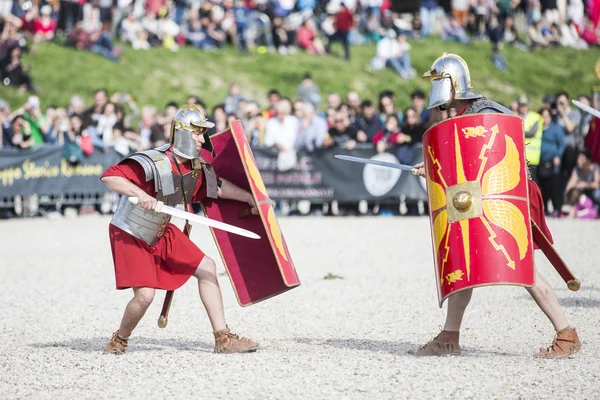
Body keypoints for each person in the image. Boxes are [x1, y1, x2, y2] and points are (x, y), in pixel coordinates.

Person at [411, 53, 581, 359]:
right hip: (481, 197)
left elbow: (500, 151)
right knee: (465, 262)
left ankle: (566, 334)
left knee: (521, 266)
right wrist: (431, 166)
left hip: (507, 194)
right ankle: (450, 336)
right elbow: (465, 167)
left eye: (439, 82)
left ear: (451, 83)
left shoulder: (485, 111)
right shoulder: (464, 115)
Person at [100, 104, 259, 355]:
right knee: (145, 297)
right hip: (131, 231)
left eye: (202, 133)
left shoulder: (196, 167)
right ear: (183, 132)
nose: (201, 138)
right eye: (196, 133)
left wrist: (249, 198)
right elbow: (110, 177)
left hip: (161, 228)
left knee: (207, 267)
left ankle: (223, 339)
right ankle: (120, 339)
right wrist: (141, 194)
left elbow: (216, 187)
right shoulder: (154, 160)